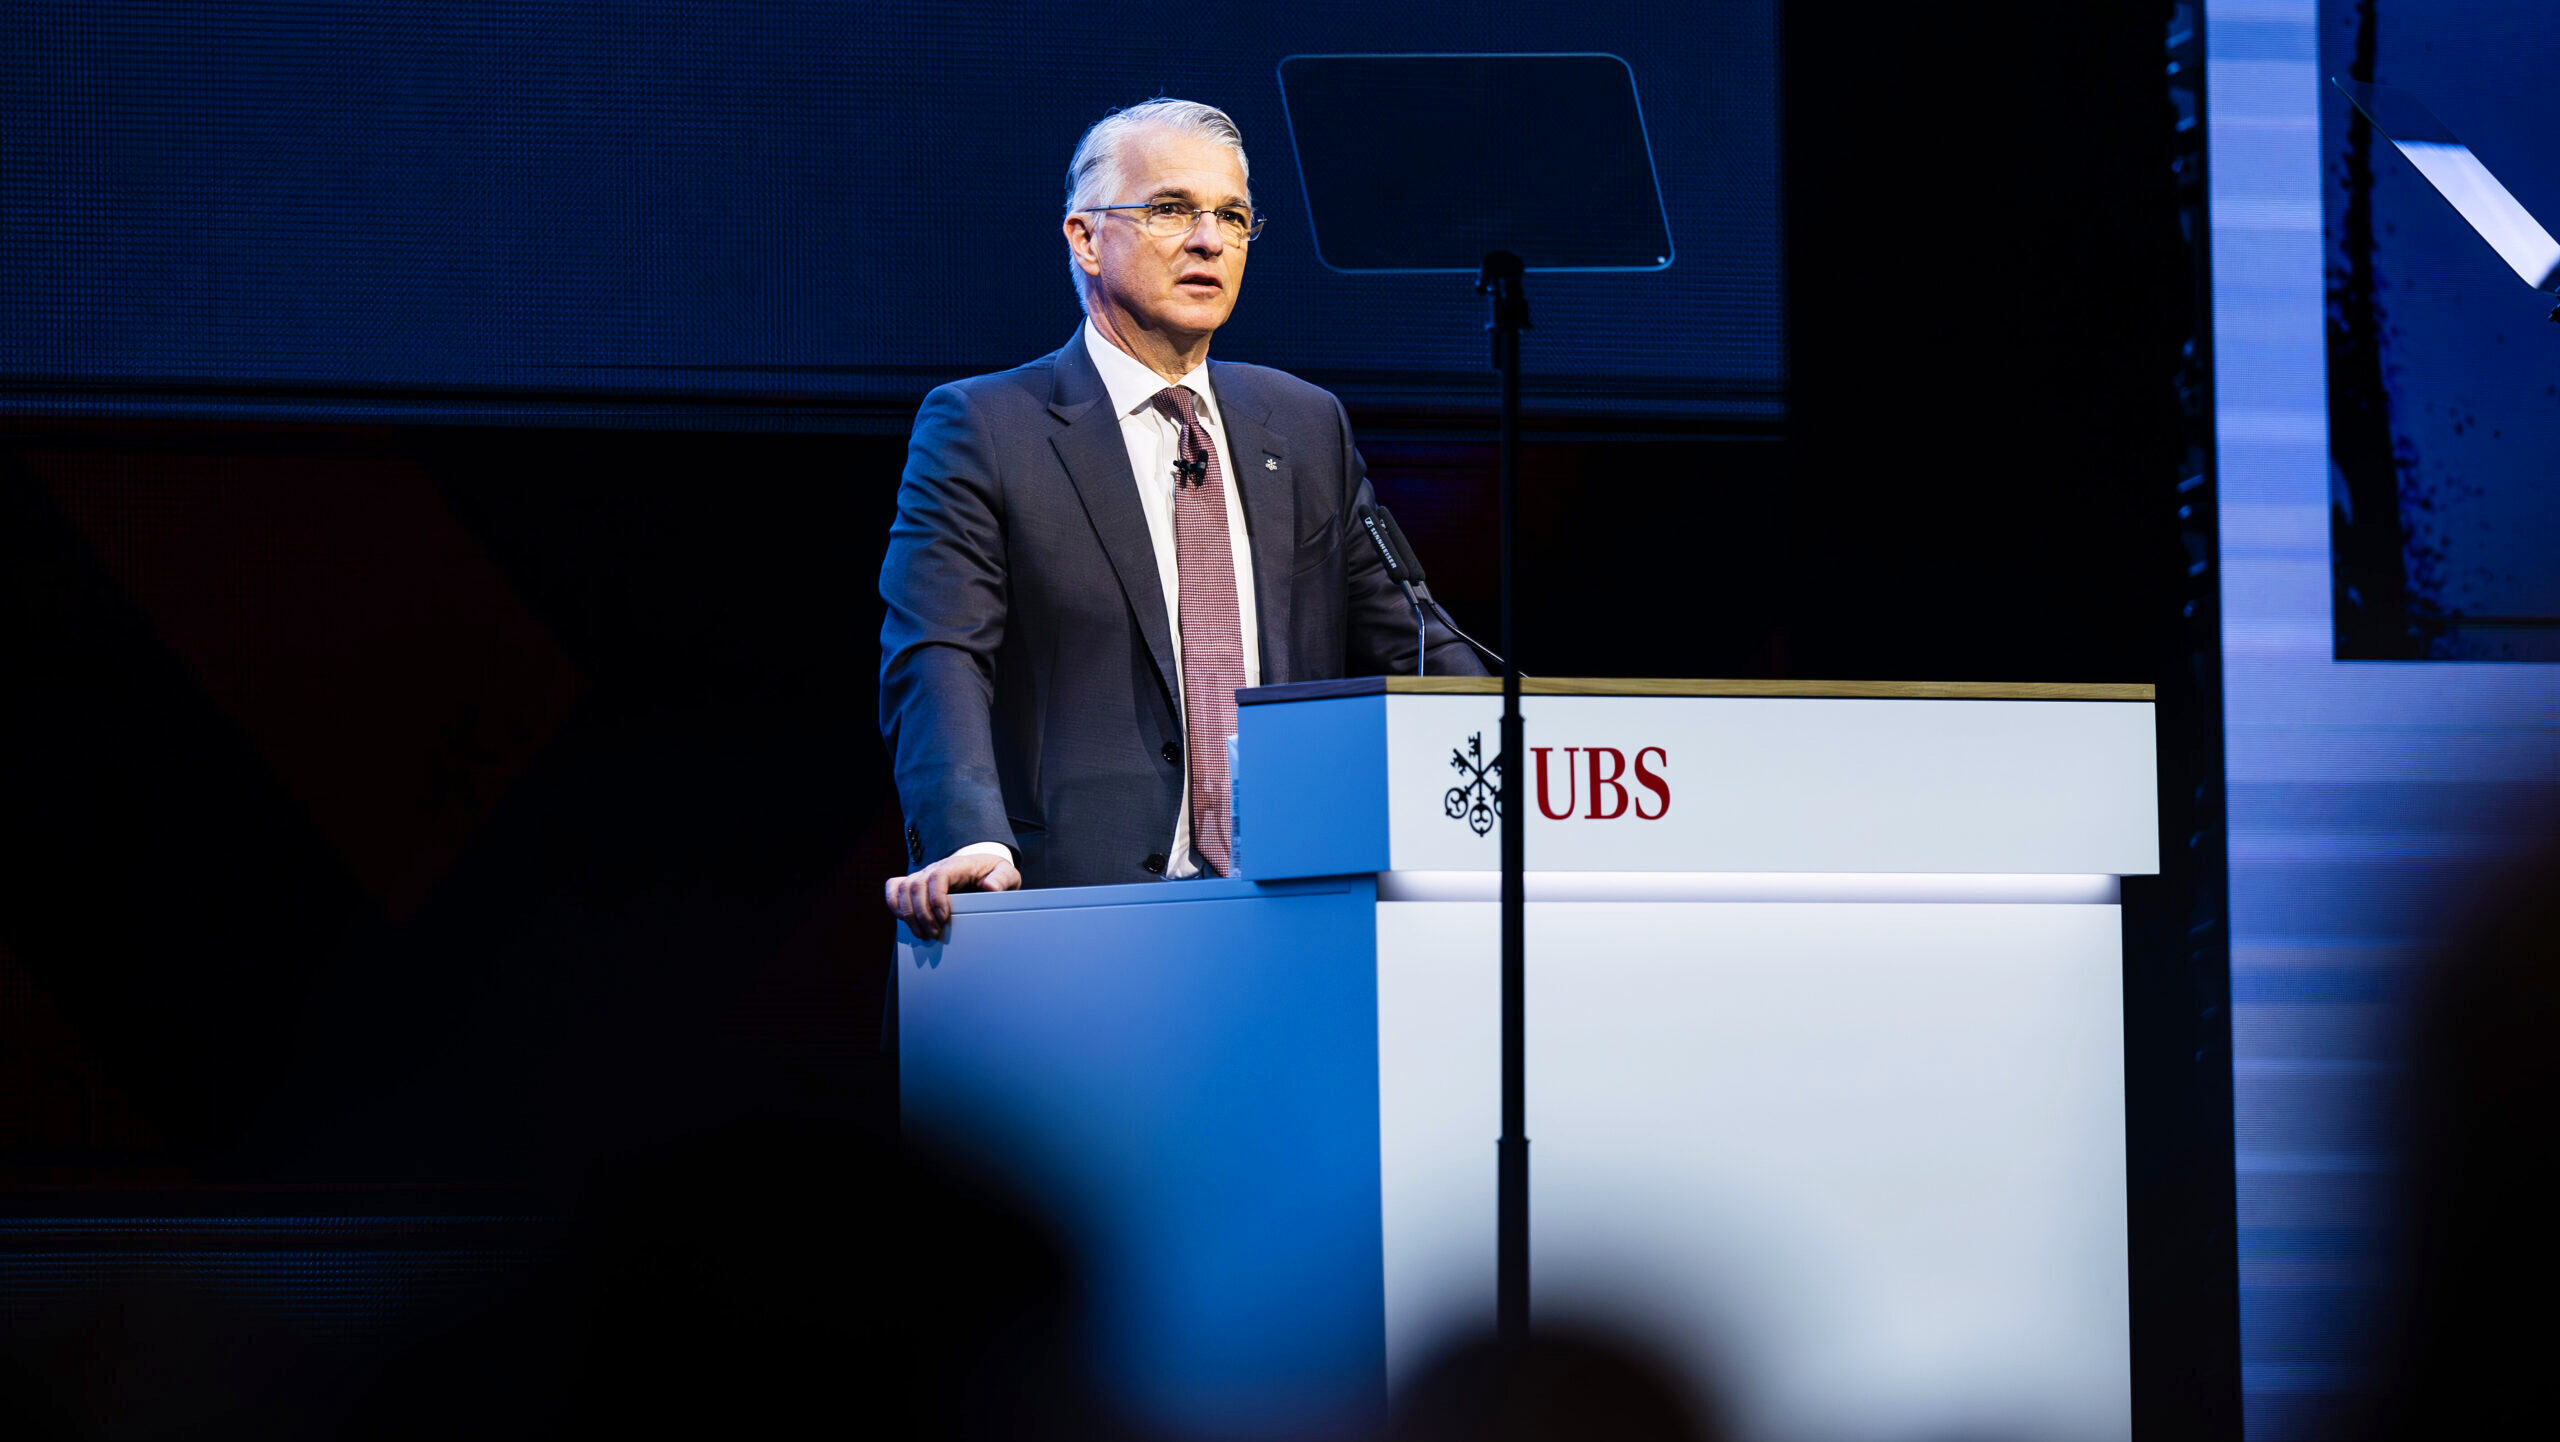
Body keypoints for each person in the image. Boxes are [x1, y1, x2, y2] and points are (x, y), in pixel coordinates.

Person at [879, 98, 1484, 936]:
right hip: (1068, 911)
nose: (1209, 240)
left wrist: (1540, 756)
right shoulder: (986, 426)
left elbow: (1415, 642)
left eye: (1233, 216)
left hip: (1293, 912)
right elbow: (939, 653)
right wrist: (967, 836)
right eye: (1171, 208)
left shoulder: (1304, 425)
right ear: (1086, 239)